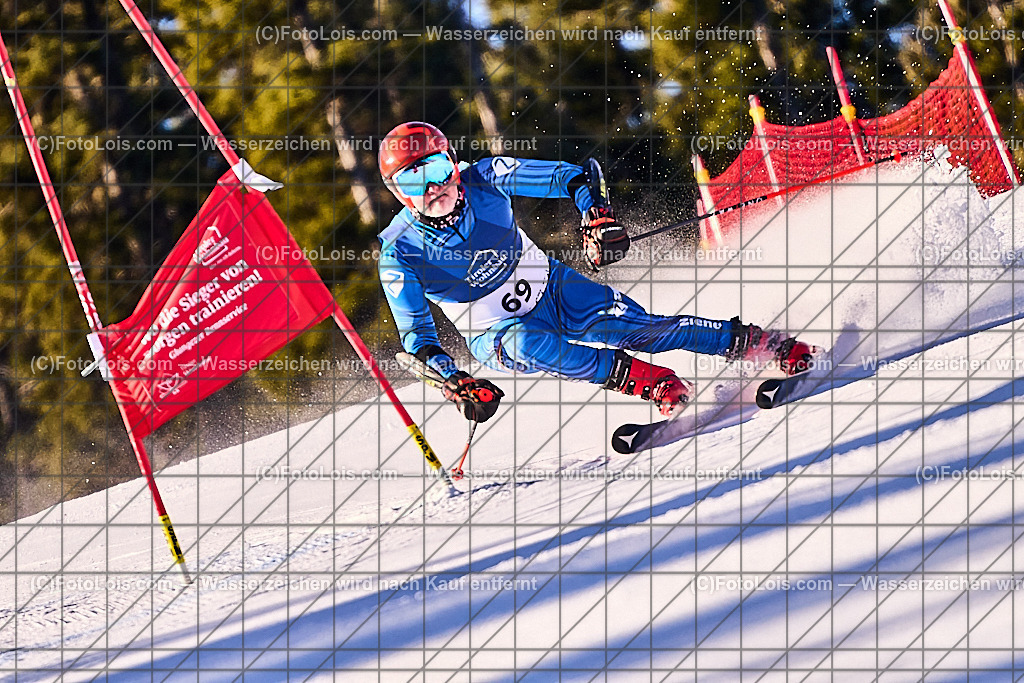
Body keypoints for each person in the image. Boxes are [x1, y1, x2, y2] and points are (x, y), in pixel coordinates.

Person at [376, 122, 815, 423]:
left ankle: (765, 344)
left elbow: (573, 177)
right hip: (495, 331)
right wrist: (455, 382)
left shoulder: (487, 177)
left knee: (643, 331)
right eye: (413, 182)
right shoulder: (399, 253)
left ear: (453, 163)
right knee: (529, 344)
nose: (432, 188)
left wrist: (597, 217)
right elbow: (418, 341)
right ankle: (654, 383)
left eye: (437, 170)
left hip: (554, 288)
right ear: (399, 195)